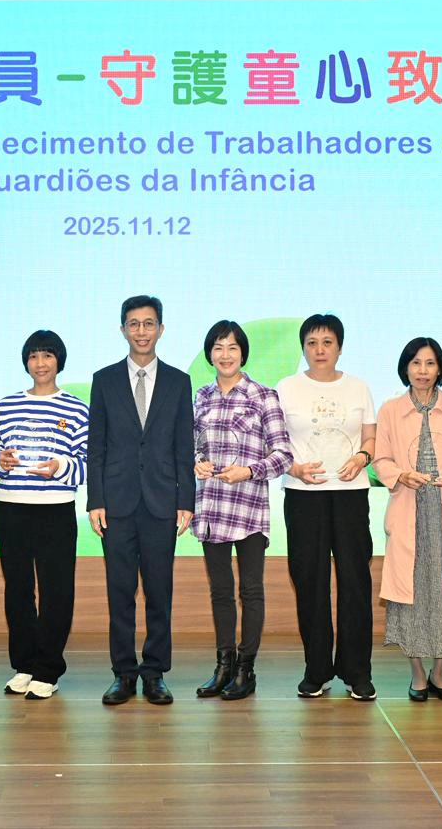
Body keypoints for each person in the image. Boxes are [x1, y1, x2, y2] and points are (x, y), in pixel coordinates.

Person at [87, 295, 195, 707]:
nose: (141, 331)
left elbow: (183, 446)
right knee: (120, 593)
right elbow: (96, 446)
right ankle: (123, 673)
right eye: (133, 324)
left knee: (158, 592)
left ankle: (154, 673)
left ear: (161, 329)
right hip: (116, 503)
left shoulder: (178, 381)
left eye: (149, 323)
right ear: (123, 330)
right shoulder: (104, 380)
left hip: (162, 502)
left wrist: (186, 500)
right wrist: (95, 499)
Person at [276, 313, 378, 700]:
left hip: (350, 493)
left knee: (355, 581)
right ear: (303, 348)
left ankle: (357, 671)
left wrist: (363, 457)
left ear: (340, 347)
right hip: (303, 494)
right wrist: (294, 468)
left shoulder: (358, 387)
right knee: (309, 581)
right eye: (312, 343)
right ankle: (316, 669)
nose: (320, 350)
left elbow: (370, 437)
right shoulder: (286, 388)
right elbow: (273, 440)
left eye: (328, 342)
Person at [374, 338, 442, 702]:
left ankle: (440, 673)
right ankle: (418, 673)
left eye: (430, 363)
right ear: (406, 368)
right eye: (416, 363)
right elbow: (380, 459)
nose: (422, 371)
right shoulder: (390, 410)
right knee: (413, 595)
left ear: (440, 369)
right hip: (409, 510)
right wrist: (400, 475)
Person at [191, 320, 291, 701]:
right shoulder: (201, 396)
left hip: (248, 509)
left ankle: (246, 669)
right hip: (211, 509)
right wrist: (197, 462)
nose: (225, 355)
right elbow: (191, 446)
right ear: (209, 354)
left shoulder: (263, 395)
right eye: (218, 347)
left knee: (250, 591)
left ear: (243, 354)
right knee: (220, 591)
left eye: (232, 347)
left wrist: (249, 471)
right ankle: (224, 666)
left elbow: (283, 455)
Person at [0, 330, 89, 701]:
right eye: (33, 356)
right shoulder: (7, 406)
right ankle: (25, 665)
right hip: (11, 506)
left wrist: (60, 466)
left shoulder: (77, 408)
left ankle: (48, 669)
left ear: (59, 360)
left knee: (55, 590)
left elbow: (87, 463)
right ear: (26, 362)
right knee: (17, 589)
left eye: (47, 355)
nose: (40, 363)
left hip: (55, 509)